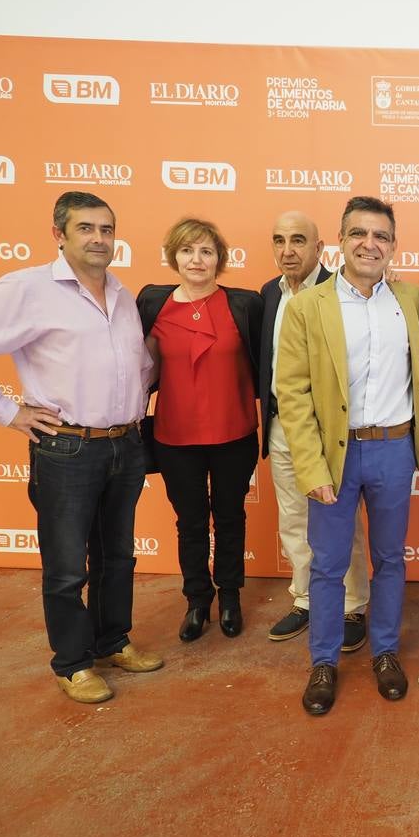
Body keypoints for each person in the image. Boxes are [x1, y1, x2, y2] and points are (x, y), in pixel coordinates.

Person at [0, 191, 162, 703]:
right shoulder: (28, 289)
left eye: (106, 229)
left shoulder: (122, 295)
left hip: (124, 443)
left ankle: (112, 641)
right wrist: (7, 410)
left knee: (118, 556)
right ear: (59, 234)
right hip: (68, 448)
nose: (98, 238)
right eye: (85, 228)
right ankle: (73, 664)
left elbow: (134, 367)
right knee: (66, 565)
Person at [276, 196, 419, 714]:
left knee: (389, 559)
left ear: (393, 246)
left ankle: (385, 652)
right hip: (334, 457)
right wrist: (310, 466)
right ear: (340, 241)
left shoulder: (411, 299)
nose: (370, 244)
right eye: (359, 234)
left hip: (393, 450)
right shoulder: (307, 306)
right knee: (328, 565)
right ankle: (323, 661)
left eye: (381, 236)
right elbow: (291, 395)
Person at [137, 219, 262, 642]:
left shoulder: (245, 305)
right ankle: (196, 600)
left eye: (206, 251)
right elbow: (137, 369)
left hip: (234, 433)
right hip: (174, 438)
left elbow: (268, 365)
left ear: (219, 260)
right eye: (188, 251)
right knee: (189, 522)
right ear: (173, 256)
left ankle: (230, 596)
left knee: (230, 517)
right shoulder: (152, 305)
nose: (197, 259)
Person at [260, 211, 371, 647]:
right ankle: (306, 599)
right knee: (293, 519)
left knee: (344, 524)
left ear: (321, 247)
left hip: (329, 431)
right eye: (279, 240)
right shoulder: (269, 294)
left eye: (298, 240)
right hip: (281, 425)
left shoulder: (339, 291)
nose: (288, 250)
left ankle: (352, 606)